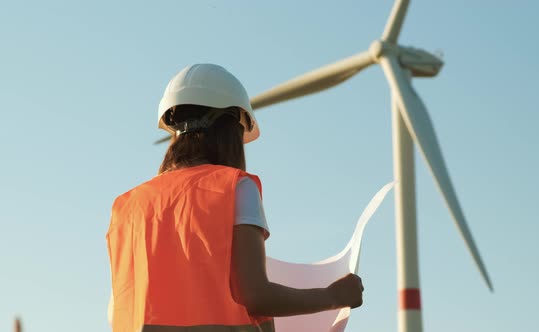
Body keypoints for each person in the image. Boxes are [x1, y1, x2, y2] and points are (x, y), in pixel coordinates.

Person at [107, 64, 364, 332]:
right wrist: (333, 296)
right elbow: (255, 296)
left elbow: (118, 310)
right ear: (229, 127)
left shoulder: (126, 206)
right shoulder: (233, 188)